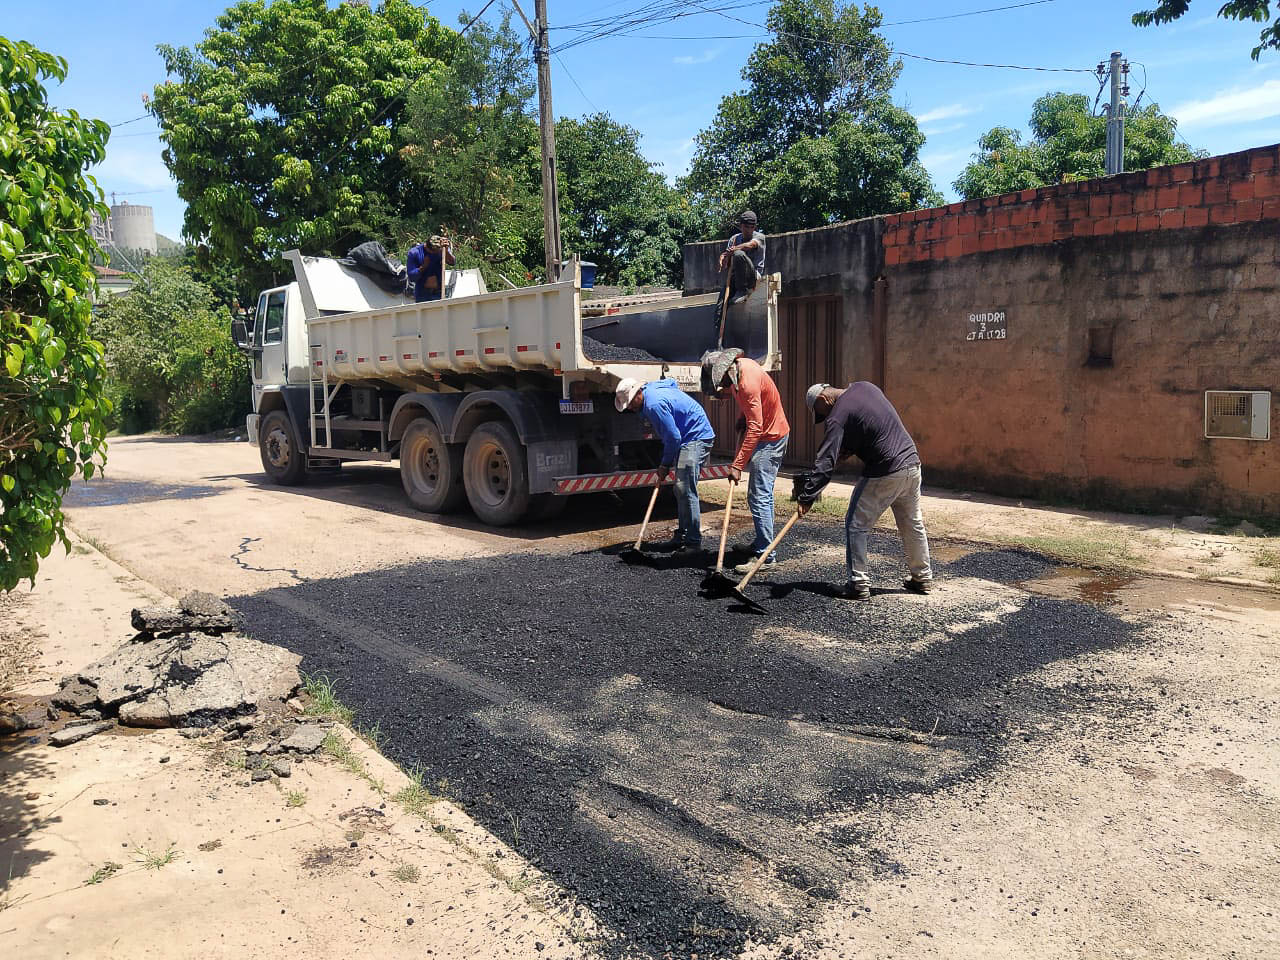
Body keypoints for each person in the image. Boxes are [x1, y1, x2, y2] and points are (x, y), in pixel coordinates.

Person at [795, 382, 933, 601]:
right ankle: (922, 577)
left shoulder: (838, 415)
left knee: (856, 524)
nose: (825, 419)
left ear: (822, 399)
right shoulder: (865, 387)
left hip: (886, 470)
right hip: (912, 464)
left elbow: (825, 460)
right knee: (912, 524)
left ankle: (858, 583)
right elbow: (871, 426)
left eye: (821, 414)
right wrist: (848, 450)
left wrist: (807, 496)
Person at [700, 348, 790, 573]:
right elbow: (753, 406)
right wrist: (743, 417)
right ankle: (762, 543)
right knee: (759, 495)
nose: (721, 388)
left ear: (725, 371)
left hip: (770, 438)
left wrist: (738, 465)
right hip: (765, 433)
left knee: (760, 496)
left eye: (720, 383)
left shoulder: (747, 382)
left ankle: (765, 556)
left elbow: (756, 427)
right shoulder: (741, 370)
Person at [615, 377, 716, 552]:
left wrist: (664, 464)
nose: (630, 407)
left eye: (631, 402)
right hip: (687, 435)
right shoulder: (651, 388)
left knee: (685, 489)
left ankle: (693, 542)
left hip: (696, 436)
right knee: (679, 489)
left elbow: (673, 437)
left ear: (639, 392)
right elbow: (671, 383)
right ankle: (682, 535)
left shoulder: (654, 405)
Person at [717, 211, 765, 305]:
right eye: (746, 227)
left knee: (738, 253)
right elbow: (727, 262)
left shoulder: (760, 237)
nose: (749, 230)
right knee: (721, 305)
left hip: (752, 277)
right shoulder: (734, 239)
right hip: (736, 279)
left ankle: (743, 291)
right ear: (741, 226)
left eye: (752, 227)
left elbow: (750, 245)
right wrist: (724, 259)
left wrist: (733, 250)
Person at [406, 234, 456, 302]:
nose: (436, 252)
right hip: (422, 295)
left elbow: (452, 262)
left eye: (438, 250)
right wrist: (423, 266)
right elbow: (411, 276)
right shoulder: (415, 253)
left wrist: (446, 251)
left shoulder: (442, 248)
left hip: (439, 294)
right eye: (433, 251)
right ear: (426, 247)